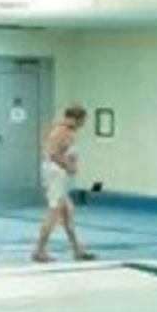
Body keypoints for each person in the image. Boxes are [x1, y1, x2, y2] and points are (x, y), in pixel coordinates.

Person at [32, 105, 94, 264]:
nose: (82, 125)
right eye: (81, 121)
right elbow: (53, 154)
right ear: (74, 119)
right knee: (54, 212)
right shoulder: (62, 131)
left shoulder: (60, 129)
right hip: (55, 174)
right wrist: (69, 165)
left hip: (56, 174)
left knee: (67, 212)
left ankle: (78, 250)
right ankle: (39, 250)